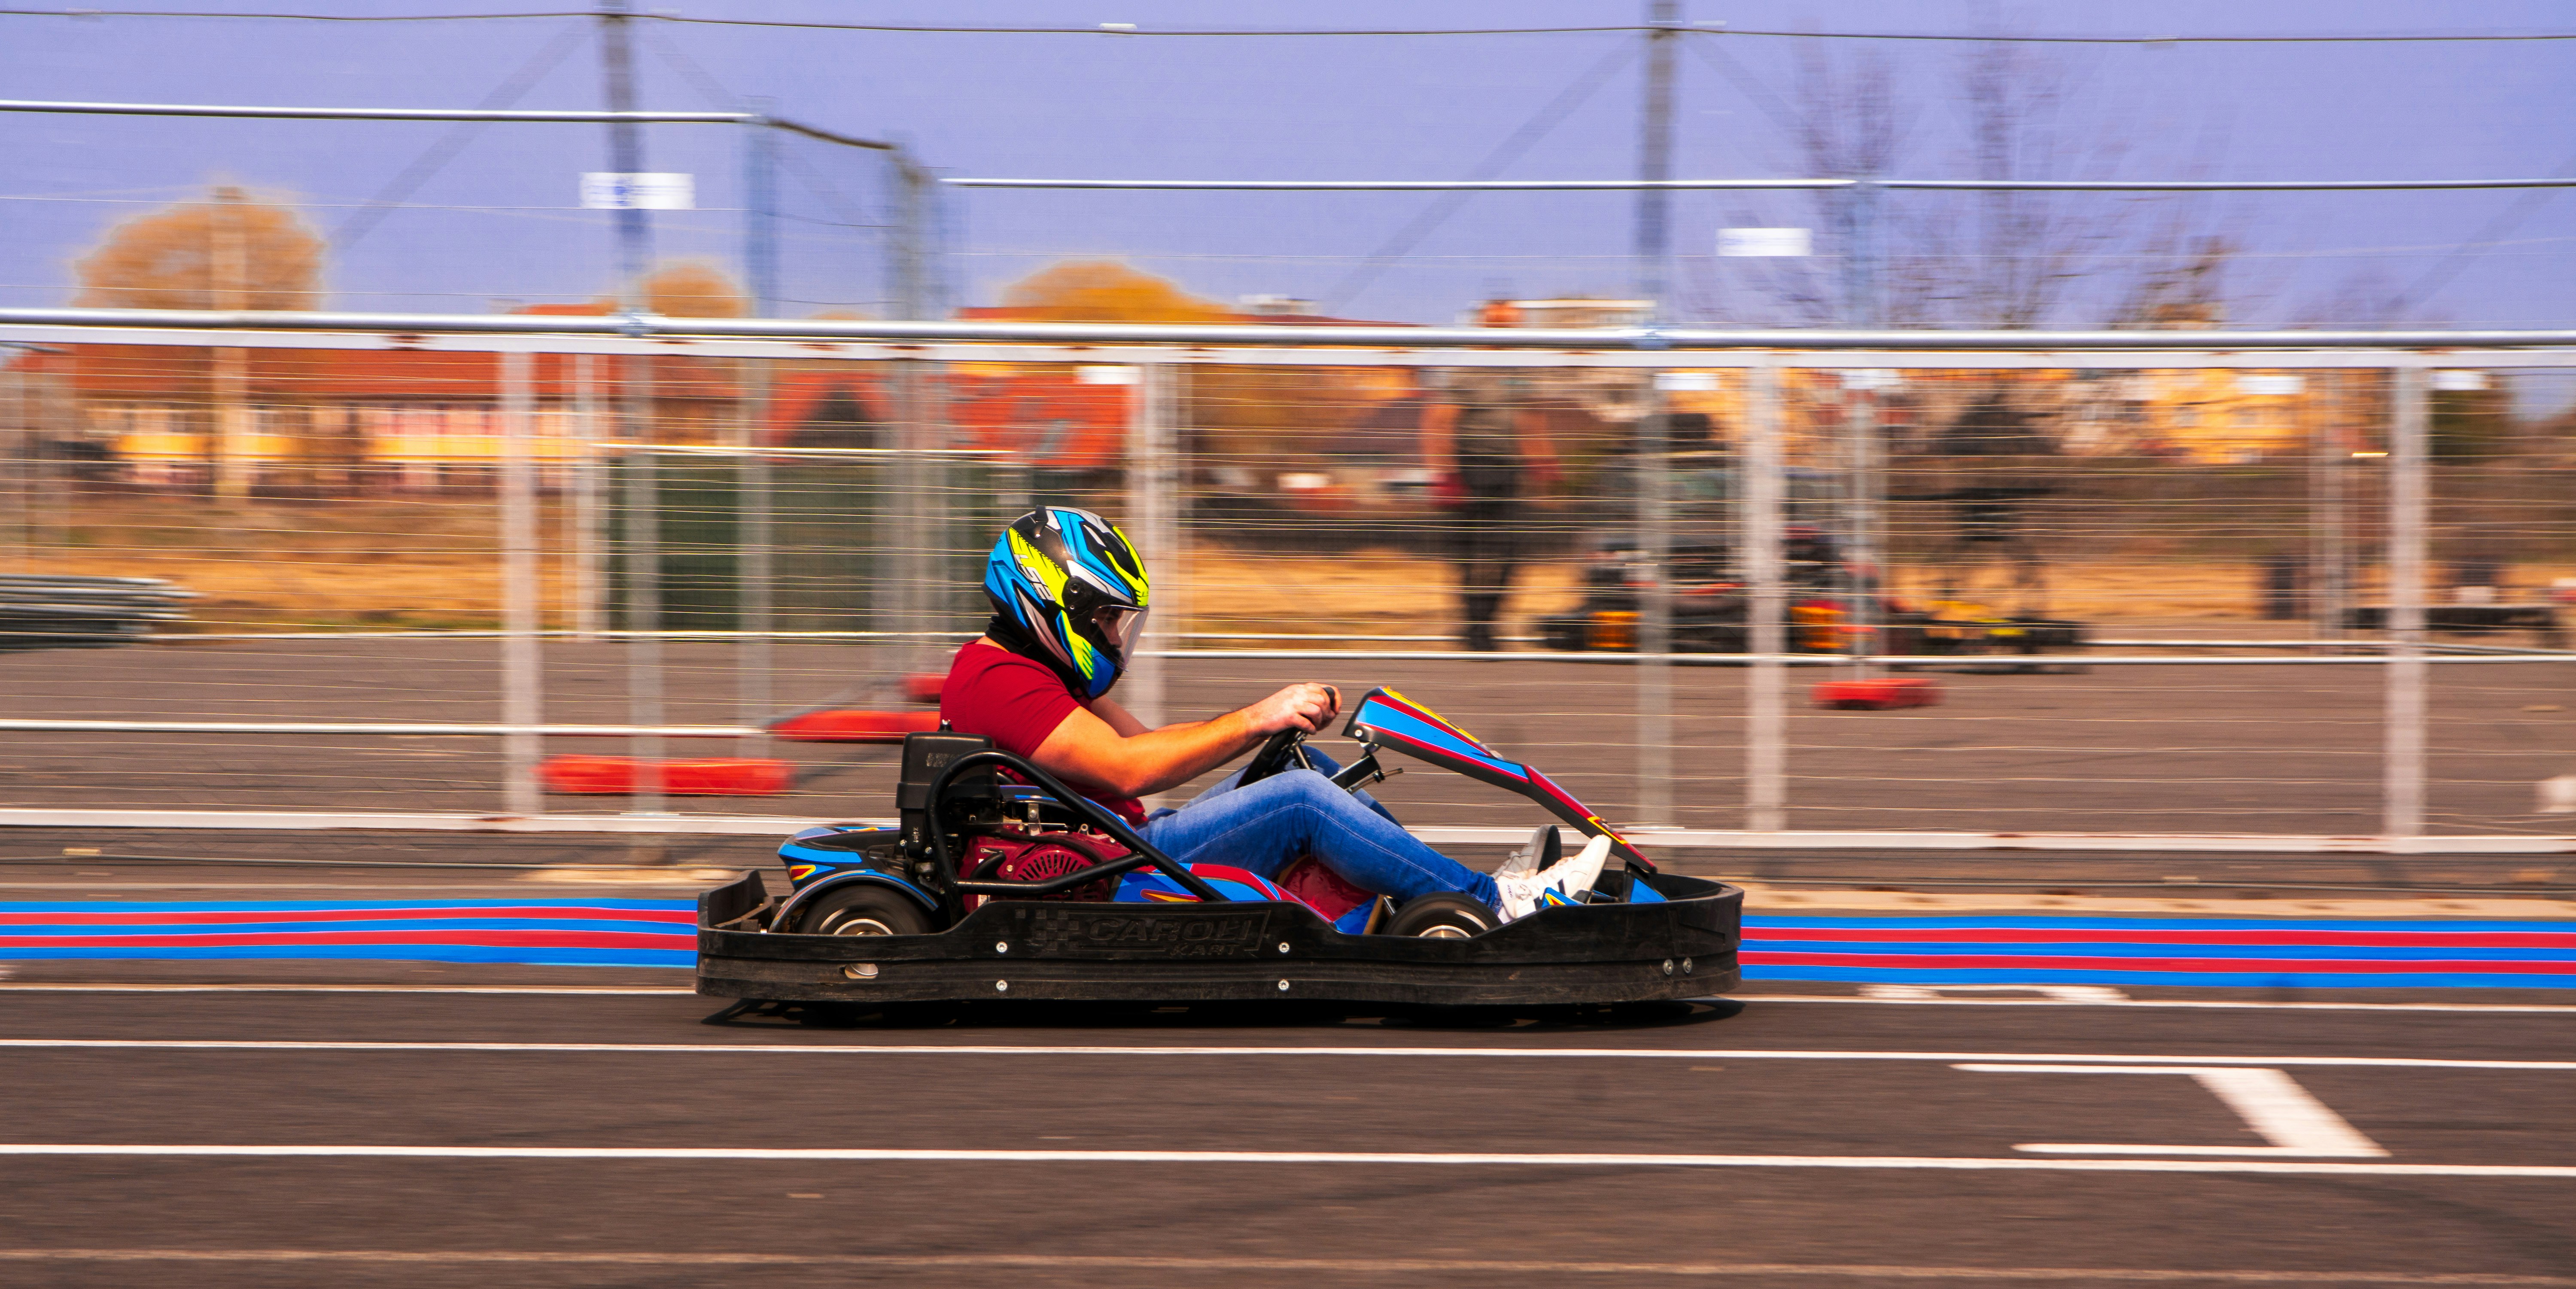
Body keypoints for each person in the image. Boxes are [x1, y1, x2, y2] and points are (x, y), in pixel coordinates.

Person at [940, 506, 1608, 922]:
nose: (1116, 637)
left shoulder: (1024, 666)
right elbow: (1126, 769)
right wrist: (1258, 715)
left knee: (1303, 768)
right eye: (1108, 619)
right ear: (1053, 607)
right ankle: (1497, 905)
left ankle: (1441, 900)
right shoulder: (1001, 680)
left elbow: (1148, 745)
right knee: (1299, 800)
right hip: (1110, 871)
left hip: (1124, 843)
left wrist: (1265, 731)